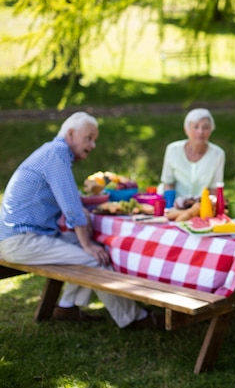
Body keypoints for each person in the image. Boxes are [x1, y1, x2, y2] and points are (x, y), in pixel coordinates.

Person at [0, 112, 162, 329]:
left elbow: (70, 200)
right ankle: (134, 318)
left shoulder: (53, 152)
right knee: (95, 258)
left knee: (94, 246)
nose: (93, 144)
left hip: (23, 237)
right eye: (88, 138)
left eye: (94, 139)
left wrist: (88, 219)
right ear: (71, 134)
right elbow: (71, 207)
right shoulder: (56, 154)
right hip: (20, 241)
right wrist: (86, 244)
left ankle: (67, 306)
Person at [160, 108, 225, 198]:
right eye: (196, 127)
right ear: (186, 129)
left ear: (211, 130)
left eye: (205, 127)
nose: (200, 132)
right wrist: (170, 206)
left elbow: (214, 189)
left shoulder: (218, 154)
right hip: (174, 203)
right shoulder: (173, 150)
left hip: (201, 205)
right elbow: (168, 183)